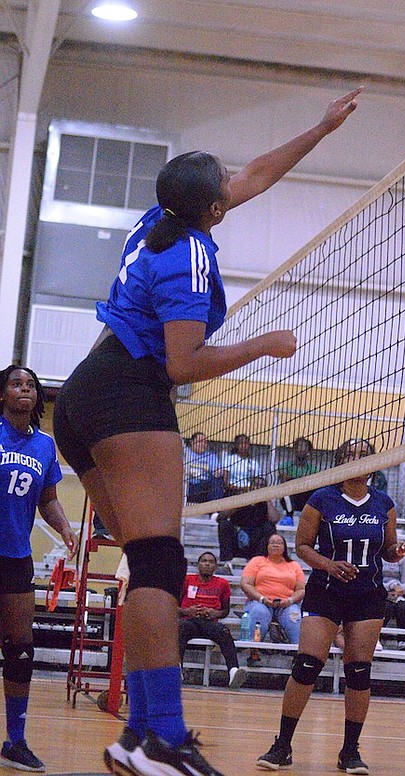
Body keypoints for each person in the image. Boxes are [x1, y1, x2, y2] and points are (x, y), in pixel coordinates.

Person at [51, 86, 363, 776]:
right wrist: (264, 347)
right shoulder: (190, 255)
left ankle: (140, 736)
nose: (234, 181)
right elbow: (183, 363)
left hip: (83, 394)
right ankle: (159, 734)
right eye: (223, 184)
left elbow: (251, 176)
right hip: (128, 394)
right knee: (161, 560)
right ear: (213, 209)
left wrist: (320, 127)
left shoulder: (158, 217)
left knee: (146, 561)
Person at [256, 438, 405, 774]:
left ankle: (350, 752)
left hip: (367, 593)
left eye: (364, 456)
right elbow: (301, 546)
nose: (358, 460)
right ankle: (282, 745)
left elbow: (387, 549)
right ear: (341, 462)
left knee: (359, 671)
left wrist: (397, 551)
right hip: (326, 590)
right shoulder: (322, 498)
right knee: (307, 666)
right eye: (352, 455)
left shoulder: (383, 503)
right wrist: (328, 565)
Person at [0, 365, 78, 772]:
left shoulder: (44, 446)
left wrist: (64, 525)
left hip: (14, 555)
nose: (24, 389)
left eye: (30, 385)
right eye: (16, 384)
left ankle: (16, 741)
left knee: (20, 648)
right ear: (2, 394)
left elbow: (47, 497)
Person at [178, 552, 247, 689]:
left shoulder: (222, 584)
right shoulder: (187, 580)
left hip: (209, 622)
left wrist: (215, 613)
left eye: (211, 561)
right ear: (198, 565)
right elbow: (173, 606)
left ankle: (233, 671)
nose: (207, 564)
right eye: (204, 561)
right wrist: (187, 611)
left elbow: (225, 611)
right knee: (179, 628)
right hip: (189, 620)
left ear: (215, 566)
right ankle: (177, 669)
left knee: (224, 632)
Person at [240, 533, 306, 645]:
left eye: (279, 543)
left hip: (287, 604)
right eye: (272, 542)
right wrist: (262, 599)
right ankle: (252, 649)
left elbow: (301, 590)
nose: (276, 545)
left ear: (284, 547)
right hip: (260, 602)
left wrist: (289, 600)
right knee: (259, 612)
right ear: (267, 545)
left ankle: (299, 652)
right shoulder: (257, 561)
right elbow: (245, 584)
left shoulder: (294, 565)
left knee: (295, 615)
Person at [217, 476, 280, 564]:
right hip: (238, 538)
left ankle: (260, 561)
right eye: (256, 485)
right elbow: (220, 518)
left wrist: (267, 501)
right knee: (224, 524)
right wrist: (237, 504)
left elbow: (274, 519)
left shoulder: (266, 503)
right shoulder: (241, 498)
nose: (258, 488)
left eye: (261, 486)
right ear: (250, 487)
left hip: (256, 542)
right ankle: (226, 563)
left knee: (270, 527)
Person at [278, 437, 319, 520]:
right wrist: (303, 480)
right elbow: (284, 480)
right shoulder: (284, 466)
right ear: (294, 449)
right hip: (290, 495)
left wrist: (293, 479)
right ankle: (289, 516)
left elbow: (314, 484)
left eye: (305, 447)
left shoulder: (314, 469)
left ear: (309, 452)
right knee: (286, 488)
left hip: (306, 496)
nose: (301, 449)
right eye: (299, 446)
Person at [183, 432, 225, 504]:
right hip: (187, 485)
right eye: (200, 441)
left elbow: (217, 471)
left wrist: (217, 472)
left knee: (217, 481)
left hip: (202, 487)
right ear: (192, 442)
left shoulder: (211, 456)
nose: (203, 444)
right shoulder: (184, 452)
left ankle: (214, 511)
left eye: (205, 442)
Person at [381, 556, 405, 650]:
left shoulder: (403, 559)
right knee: (387, 607)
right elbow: (376, 578)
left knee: (402, 607)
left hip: (398, 591)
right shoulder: (377, 556)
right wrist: (392, 586)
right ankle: (378, 637)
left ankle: (402, 640)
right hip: (381, 590)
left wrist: (398, 591)